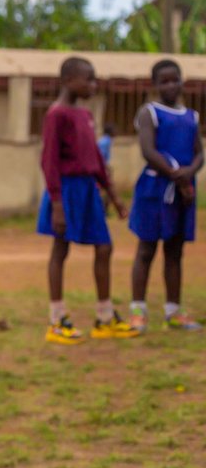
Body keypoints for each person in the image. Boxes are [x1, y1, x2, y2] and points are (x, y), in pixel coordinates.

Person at [37, 57, 139, 344]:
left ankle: (104, 316)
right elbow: (49, 161)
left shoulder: (84, 114)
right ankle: (57, 320)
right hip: (66, 190)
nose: (93, 85)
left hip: (88, 191)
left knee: (104, 247)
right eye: (89, 79)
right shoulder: (56, 114)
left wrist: (115, 197)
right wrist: (57, 203)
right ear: (69, 80)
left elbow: (95, 160)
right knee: (60, 249)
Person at [128, 59, 203, 332]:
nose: (171, 85)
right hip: (155, 189)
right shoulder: (150, 112)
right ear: (155, 85)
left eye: (175, 80)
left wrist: (189, 173)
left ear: (182, 81)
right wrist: (177, 174)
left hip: (184, 192)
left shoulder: (191, 116)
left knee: (175, 251)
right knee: (146, 249)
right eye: (164, 81)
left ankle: (173, 311)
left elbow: (199, 154)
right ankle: (138, 310)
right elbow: (148, 151)